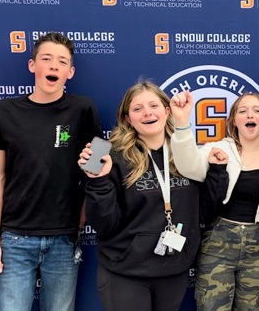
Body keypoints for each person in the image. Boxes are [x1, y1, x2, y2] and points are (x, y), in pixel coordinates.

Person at [78, 80, 228, 311]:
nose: (147, 113)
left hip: (173, 268)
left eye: (154, 106)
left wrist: (217, 171)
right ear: (128, 118)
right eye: (137, 109)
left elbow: (206, 212)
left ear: (167, 110)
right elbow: (104, 224)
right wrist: (98, 180)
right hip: (126, 271)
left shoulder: (186, 151)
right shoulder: (104, 153)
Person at [0, 32, 103, 311]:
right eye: (46, 59)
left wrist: (82, 213)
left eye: (62, 62)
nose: (53, 66)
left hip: (64, 240)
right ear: (32, 65)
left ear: (69, 72)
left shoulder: (83, 109)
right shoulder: (5, 110)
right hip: (14, 239)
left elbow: (97, 166)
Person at [169, 90, 259, 311]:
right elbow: (189, 167)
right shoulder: (219, 149)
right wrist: (181, 122)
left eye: (256, 110)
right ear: (234, 120)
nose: (250, 115)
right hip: (218, 244)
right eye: (243, 111)